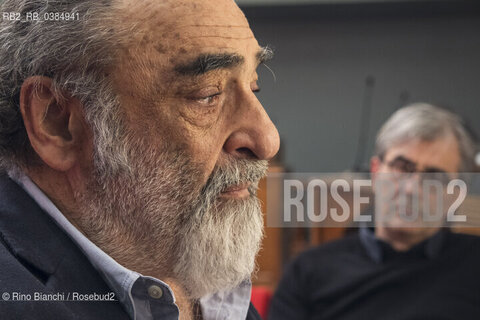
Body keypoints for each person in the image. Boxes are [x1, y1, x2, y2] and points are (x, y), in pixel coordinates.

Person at [0, 0, 280, 319]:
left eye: (253, 86)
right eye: (207, 95)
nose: (267, 139)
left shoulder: (192, 267)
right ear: (57, 122)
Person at [269, 103, 480, 320]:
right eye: (402, 167)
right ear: (376, 172)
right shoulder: (307, 272)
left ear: (456, 194)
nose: (411, 189)